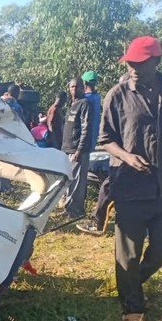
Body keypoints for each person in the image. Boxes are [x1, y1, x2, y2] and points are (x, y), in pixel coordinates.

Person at [99, 36, 162, 321]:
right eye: (129, 62)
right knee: (128, 252)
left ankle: (132, 283)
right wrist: (127, 157)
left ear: (157, 61)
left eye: (140, 62)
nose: (133, 67)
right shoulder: (116, 95)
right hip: (131, 185)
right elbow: (106, 140)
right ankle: (132, 307)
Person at [61, 77, 92, 219]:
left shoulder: (84, 104)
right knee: (68, 181)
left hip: (78, 150)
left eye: (77, 87)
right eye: (72, 87)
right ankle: (68, 208)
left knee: (77, 183)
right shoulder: (71, 104)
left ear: (83, 87)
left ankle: (76, 212)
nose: (74, 89)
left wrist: (79, 149)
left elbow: (86, 129)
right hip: (67, 148)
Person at [82, 70, 102, 152]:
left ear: (84, 83)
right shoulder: (97, 97)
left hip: (83, 137)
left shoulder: (85, 99)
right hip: (93, 136)